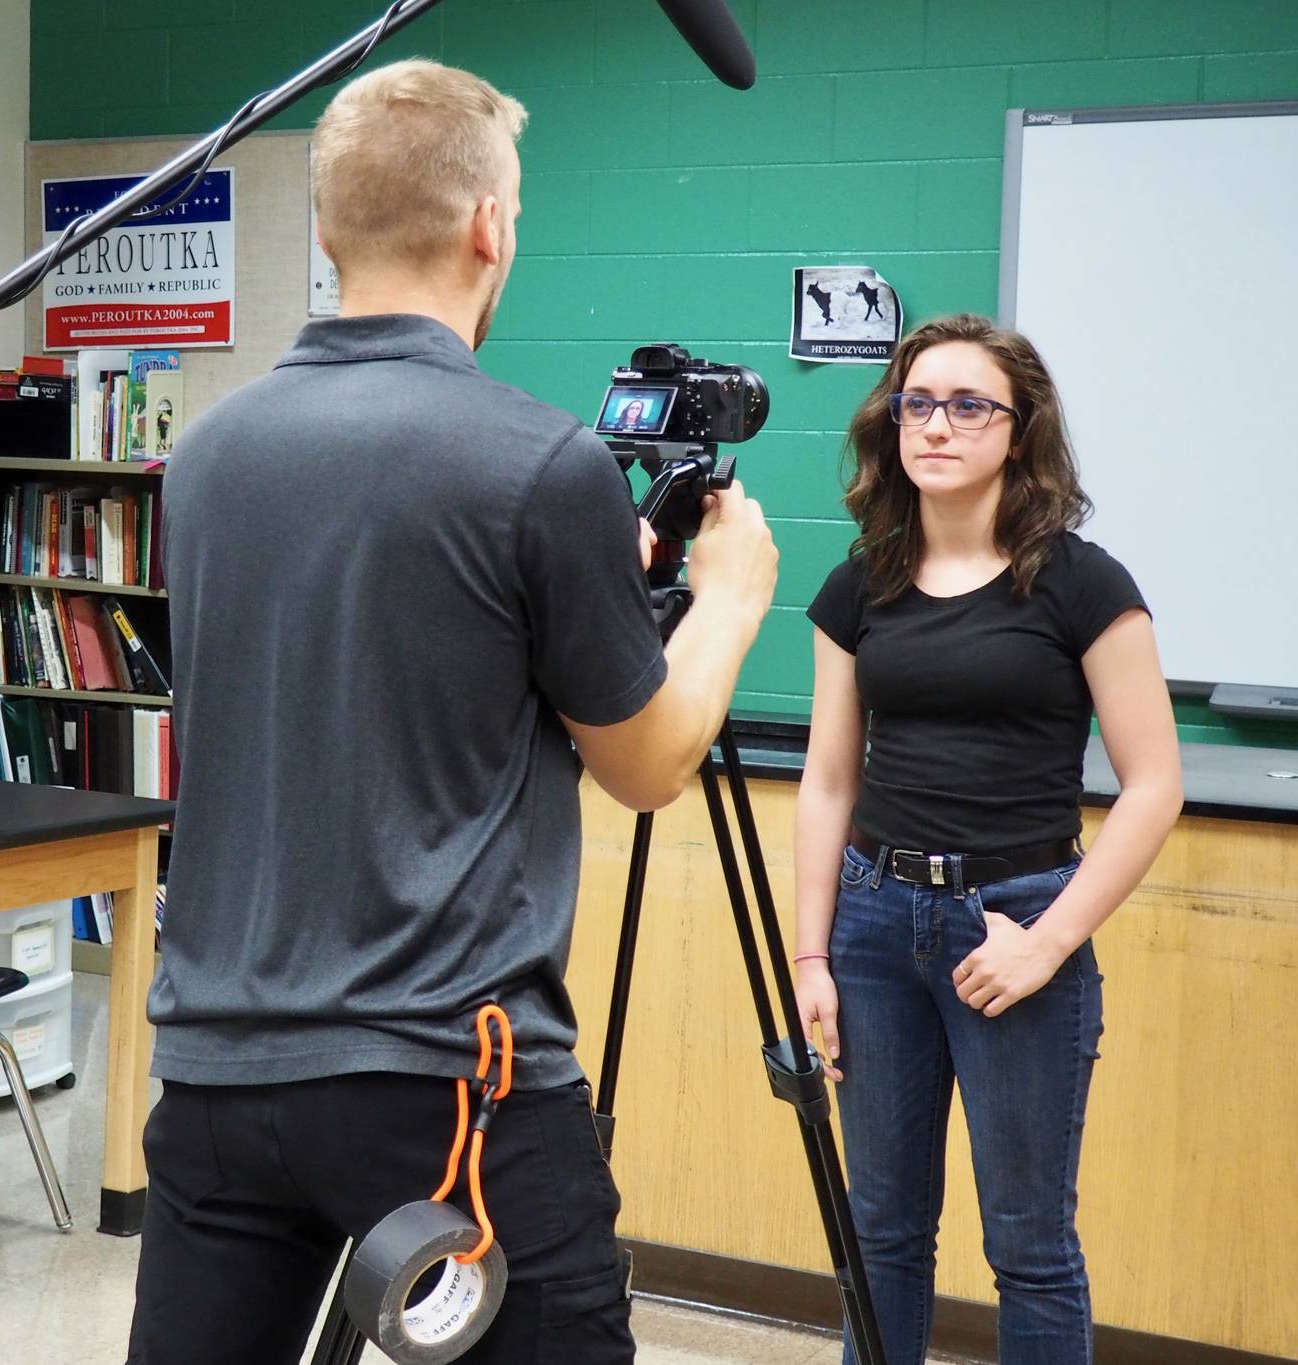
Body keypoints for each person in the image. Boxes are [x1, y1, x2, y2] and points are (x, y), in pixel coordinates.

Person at [127, 58, 778, 1365]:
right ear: (491, 224)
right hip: (444, 1085)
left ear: (326, 228)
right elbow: (647, 764)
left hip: (214, 1079)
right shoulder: (542, 461)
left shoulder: (200, 458)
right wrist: (727, 602)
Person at [793, 313, 1181, 1365]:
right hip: (872, 930)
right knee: (879, 1236)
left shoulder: (1080, 583)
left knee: (1026, 1244)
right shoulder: (857, 585)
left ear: (1019, 431)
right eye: (917, 402)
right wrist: (810, 955)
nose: (937, 426)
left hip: (1014, 928)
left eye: (969, 406)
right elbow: (828, 783)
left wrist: (1044, 943)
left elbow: (1153, 787)